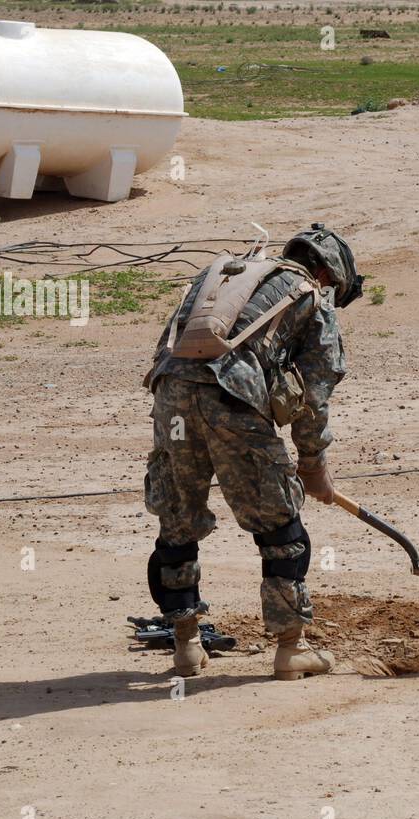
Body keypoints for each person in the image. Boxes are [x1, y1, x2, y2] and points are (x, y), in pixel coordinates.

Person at [142, 224, 362, 680]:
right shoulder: (310, 293)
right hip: (233, 402)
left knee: (178, 521)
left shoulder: (224, 277)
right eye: (333, 287)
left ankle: (186, 646)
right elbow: (314, 394)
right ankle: (291, 649)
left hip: (170, 396)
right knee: (280, 526)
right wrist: (313, 464)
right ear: (326, 271)